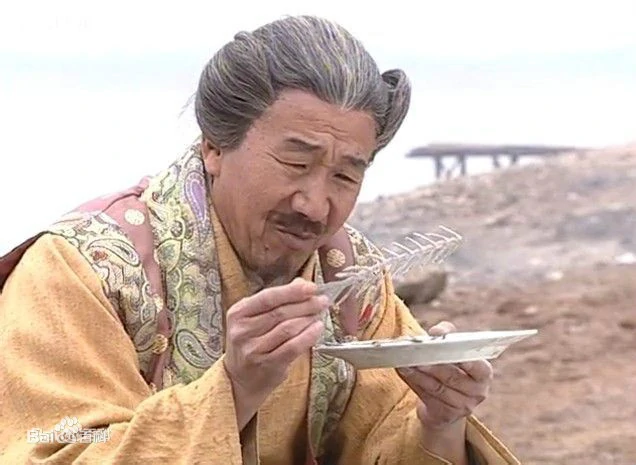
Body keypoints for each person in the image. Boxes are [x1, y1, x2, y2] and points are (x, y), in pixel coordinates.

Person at [0, 15, 521, 465]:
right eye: (295, 162)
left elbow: (385, 435)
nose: (315, 206)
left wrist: (439, 420)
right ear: (214, 147)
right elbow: (49, 447)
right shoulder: (82, 270)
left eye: (345, 176)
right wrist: (234, 389)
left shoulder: (348, 273)